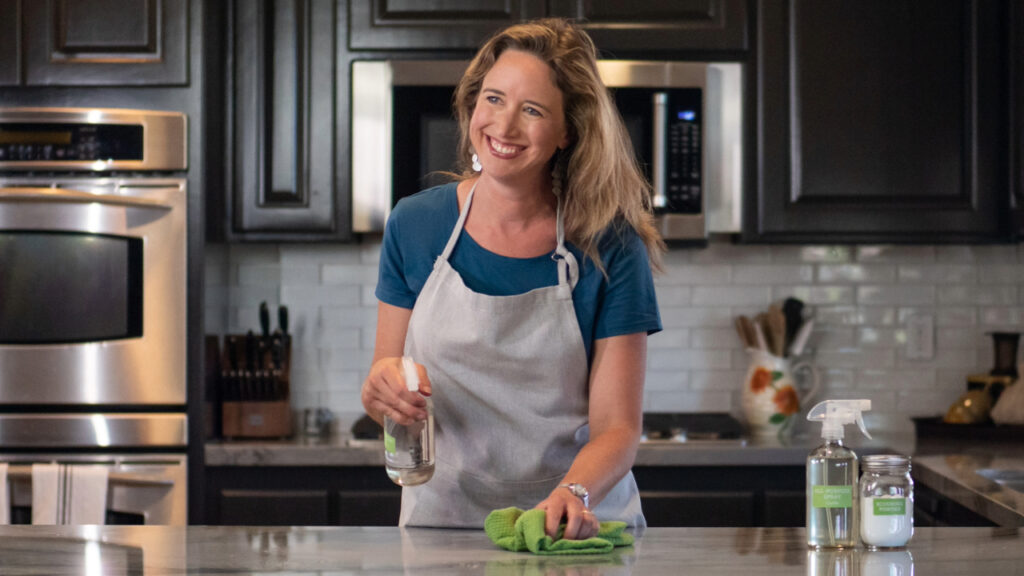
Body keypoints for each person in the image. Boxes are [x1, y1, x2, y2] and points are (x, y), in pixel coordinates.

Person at [361, 18, 664, 540]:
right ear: (474, 104)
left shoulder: (609, 244)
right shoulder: (415, 225)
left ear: (568, 129)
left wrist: (573, 494)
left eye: (532, 110)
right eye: (495, 99)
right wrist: (380, 393)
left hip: (575, 527)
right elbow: (388, 389)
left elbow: (618, 427)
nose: (504, 126)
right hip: (445, 524)